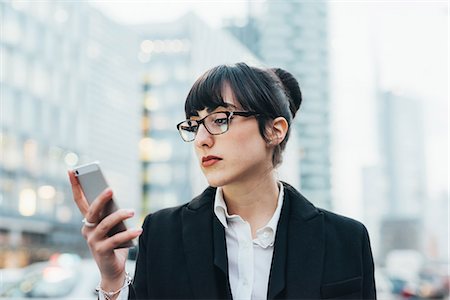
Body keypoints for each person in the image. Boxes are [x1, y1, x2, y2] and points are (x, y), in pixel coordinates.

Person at [68, 62, 376, 299]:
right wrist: (113, 280)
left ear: (275, 130)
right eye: (193, 125)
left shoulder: (345, 240)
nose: (201, 139)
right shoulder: (163, 234)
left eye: (219, 119)